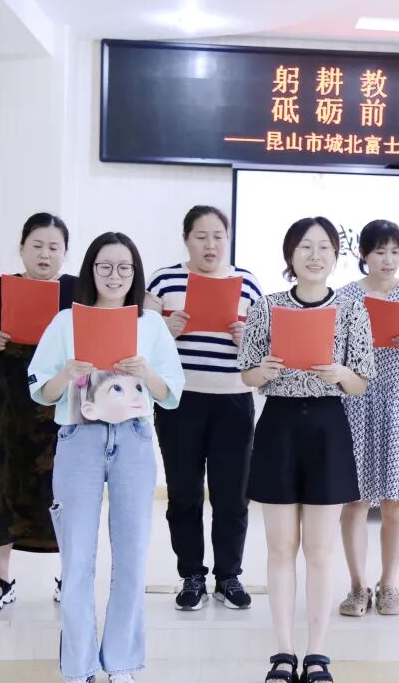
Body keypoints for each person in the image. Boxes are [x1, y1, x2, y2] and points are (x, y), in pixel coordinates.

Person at [28, 232, 184, 683]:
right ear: (90, 271)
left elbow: (171, 394)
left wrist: (145, 371)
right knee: (77, 558)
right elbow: (40, 391)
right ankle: (79, 667)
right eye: (105, 267)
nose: (114, 276)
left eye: (124, 268)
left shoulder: (150, 326)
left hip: (133, 439)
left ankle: (120, 663)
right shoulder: (66, 322)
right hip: (79, 437)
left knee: (131, 557)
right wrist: (67, 372)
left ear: (135, 274)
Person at [238, 216, 375, 683]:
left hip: (327, 427)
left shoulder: (352, 309)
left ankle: (317, 652)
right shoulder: (267, 306)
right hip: (278, 425)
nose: (315, 255)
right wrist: (265, 370)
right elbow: (248, 374)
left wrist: (340, 373)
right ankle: (283, 651)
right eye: (305, 247)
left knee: (320, 550)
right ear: (290, 255)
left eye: (324, 247)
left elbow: (360, 383)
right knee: (280, 549)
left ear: (336, 255)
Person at [145, 205, 264, 611]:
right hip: (179, 401)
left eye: (218, 236)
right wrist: (164, 330)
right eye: (201, 236)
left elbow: (268, 347)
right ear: (186, 240)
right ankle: (191, 575)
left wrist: (247, 339)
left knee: (233, 495)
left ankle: (228, 576)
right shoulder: (164, 281)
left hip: (233, 399)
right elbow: (139, 342)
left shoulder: (247, 283)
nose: (210, 245)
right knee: (184, 493)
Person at [0, 213, 77, 611]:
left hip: (60, 406)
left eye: (54, 247)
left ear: (65, 253)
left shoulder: (77, 290)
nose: (45, 254)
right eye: (37, 245)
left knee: (65, 490)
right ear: (21, 248)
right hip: (6, 405)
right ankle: (0, 577)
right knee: (3, 484)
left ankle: (71, 577)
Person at [337, 219, 399, 618]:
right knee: (355, 499)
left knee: (395, 500)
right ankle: (357, 586)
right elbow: (332, 348)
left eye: (395, 251)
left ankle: (388, 584)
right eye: (379, 251)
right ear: (363, 254)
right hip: (356, 402)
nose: (388, 259)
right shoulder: (344, 296)